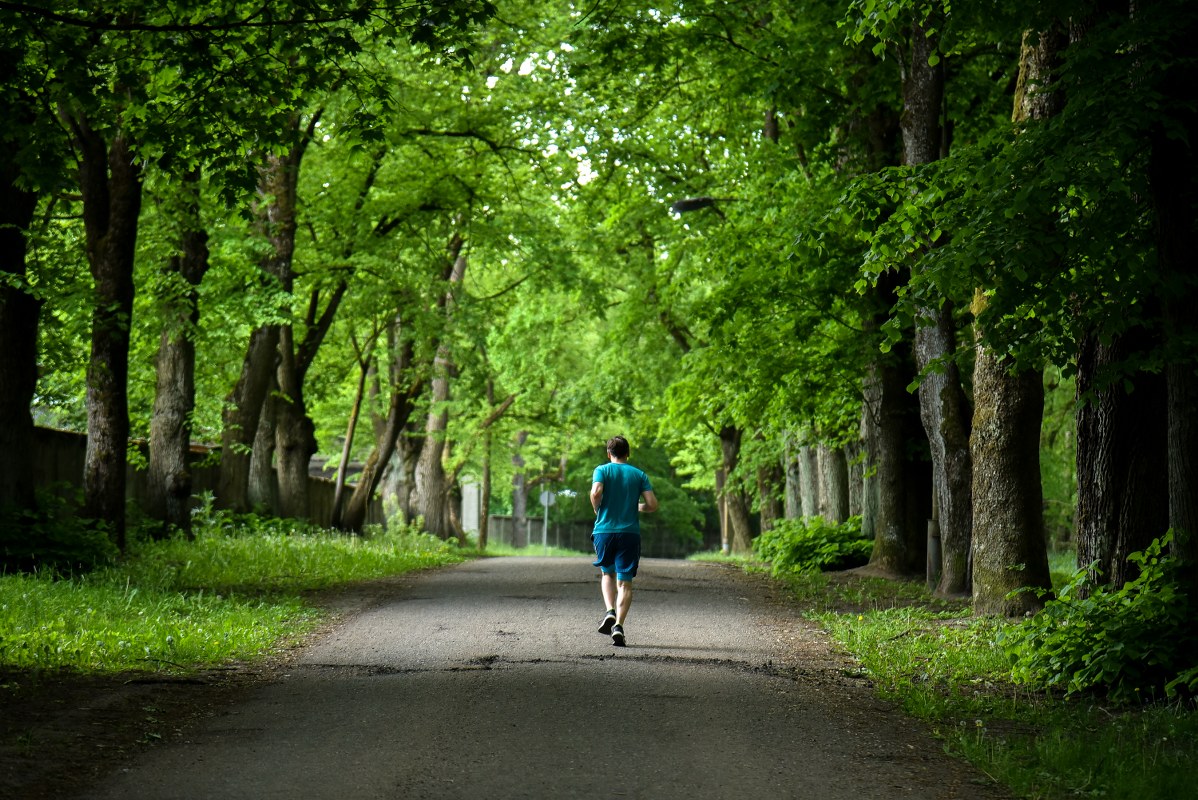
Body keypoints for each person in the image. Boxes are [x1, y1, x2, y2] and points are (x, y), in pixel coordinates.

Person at [590, 435, 658, 646]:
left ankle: (610, 611)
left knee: (607, 574)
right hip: (629, 534)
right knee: (625, 582)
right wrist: (637, 507)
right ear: (628, 453)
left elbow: (596, 492)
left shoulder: (602, 470)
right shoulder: (639, 474)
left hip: (604, 531)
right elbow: (652, 504)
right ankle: (618, 625)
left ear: (608, 453)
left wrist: (597, 509)